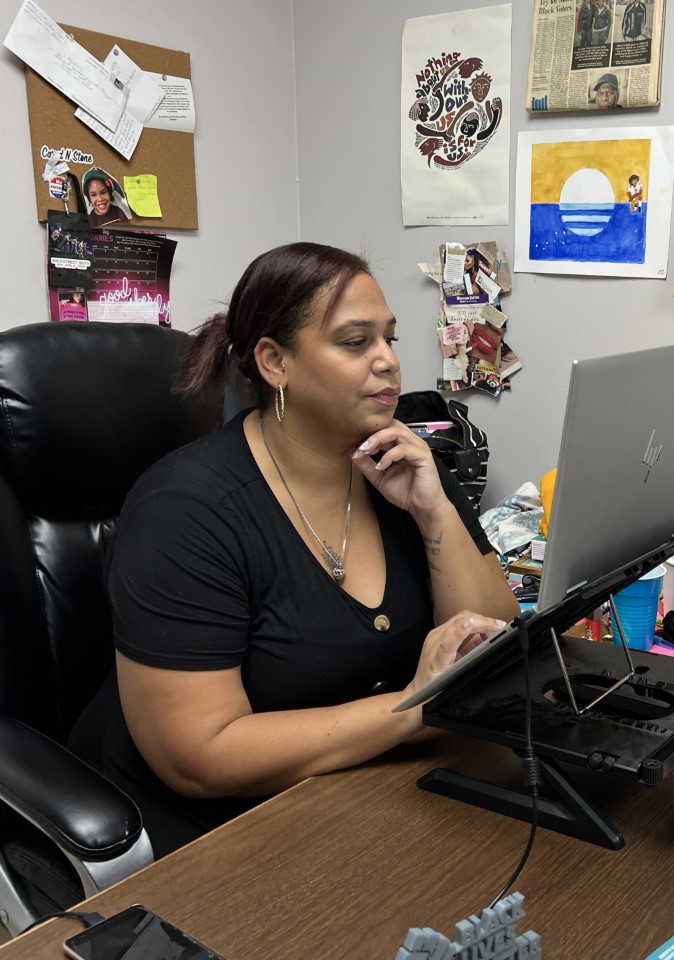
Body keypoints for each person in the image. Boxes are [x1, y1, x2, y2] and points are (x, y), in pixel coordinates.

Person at [69, 242, 520, 855]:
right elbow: (201, 759)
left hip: (367, 786)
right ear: (275, 362)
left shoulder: (403, 464)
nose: (388, 362)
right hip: (219, 830)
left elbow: (493, 636)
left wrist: (433, 509)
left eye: (390, 339)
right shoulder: (185, 512)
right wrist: (414, 707)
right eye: (356, 342)